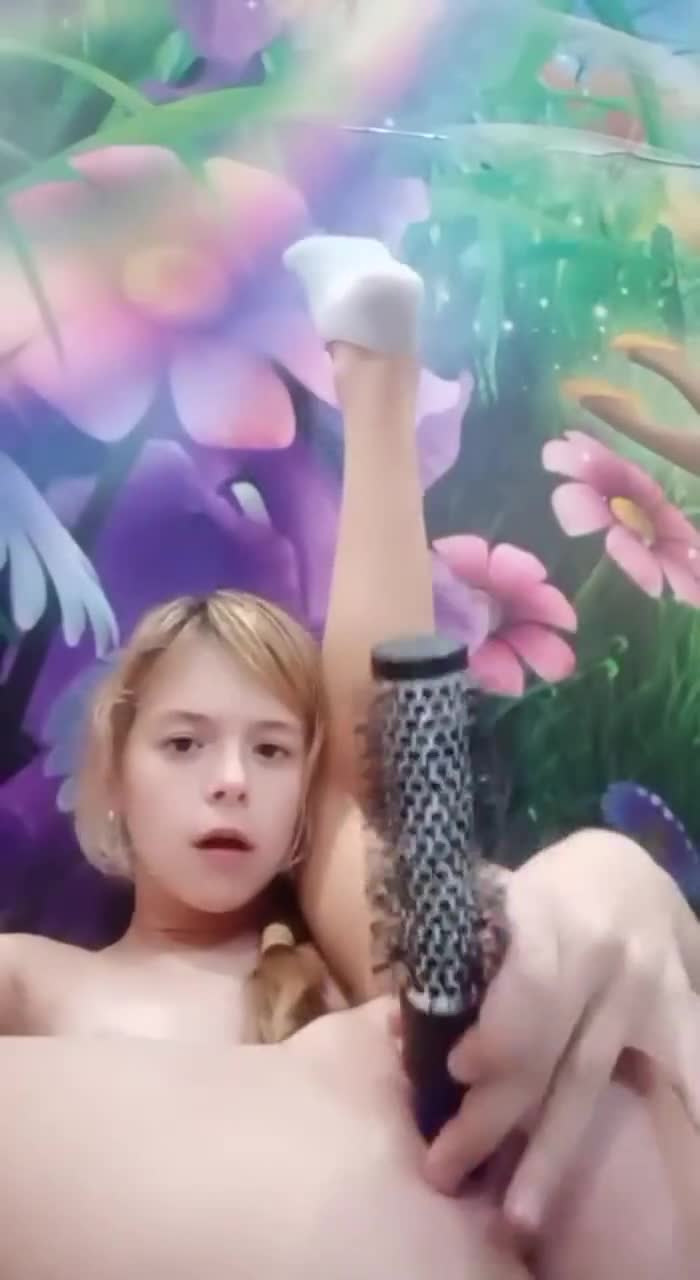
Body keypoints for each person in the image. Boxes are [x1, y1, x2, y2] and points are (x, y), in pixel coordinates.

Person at [0, 232, 696, 1279]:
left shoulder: (334, 959)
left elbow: (362, 783)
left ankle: (378, 376)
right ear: (113, 781)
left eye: (271, 750)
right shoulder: (31, 979)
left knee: (371, 809)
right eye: (183, 742)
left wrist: (612, 880)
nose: (231, 779)